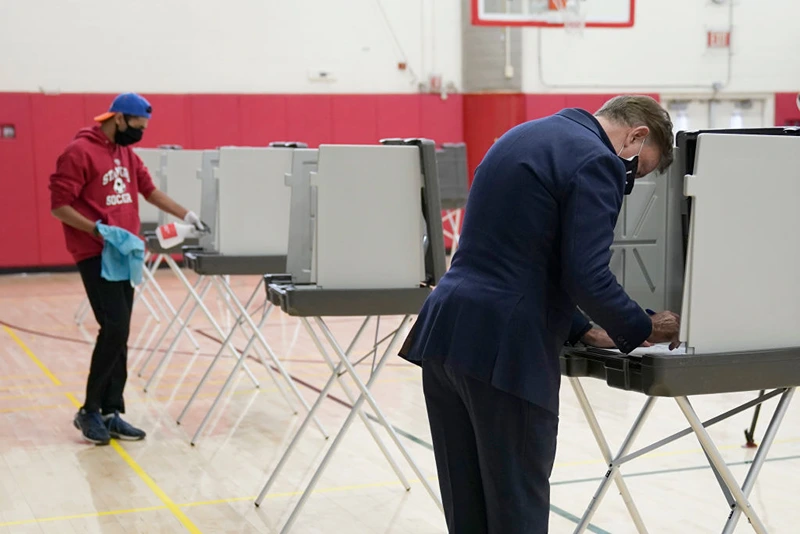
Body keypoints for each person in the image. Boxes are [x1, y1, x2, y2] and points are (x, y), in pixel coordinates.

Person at [398, 95, 682, 533]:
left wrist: (583, 329)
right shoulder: (597, 160)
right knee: (516, 512)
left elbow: (518, 248)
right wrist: (644, 326)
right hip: (506, 349)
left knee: (468, 510)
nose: (630, 177)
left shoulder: (521, 136)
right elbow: (585, 273)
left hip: (445, 334)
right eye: (639, 168)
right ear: (635, 136)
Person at [49, 92, 204, 446]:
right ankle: (89, 410)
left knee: (121, 331)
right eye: (137, 126)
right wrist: (98, 229)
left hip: (125, 252)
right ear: (118, 119)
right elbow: (59, 206)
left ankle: (110, 410)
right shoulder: (78, 152)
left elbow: (149, 191)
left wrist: (187, 215)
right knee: (114, 327)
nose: (140, 134)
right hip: (94, 250)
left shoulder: (125, 153)